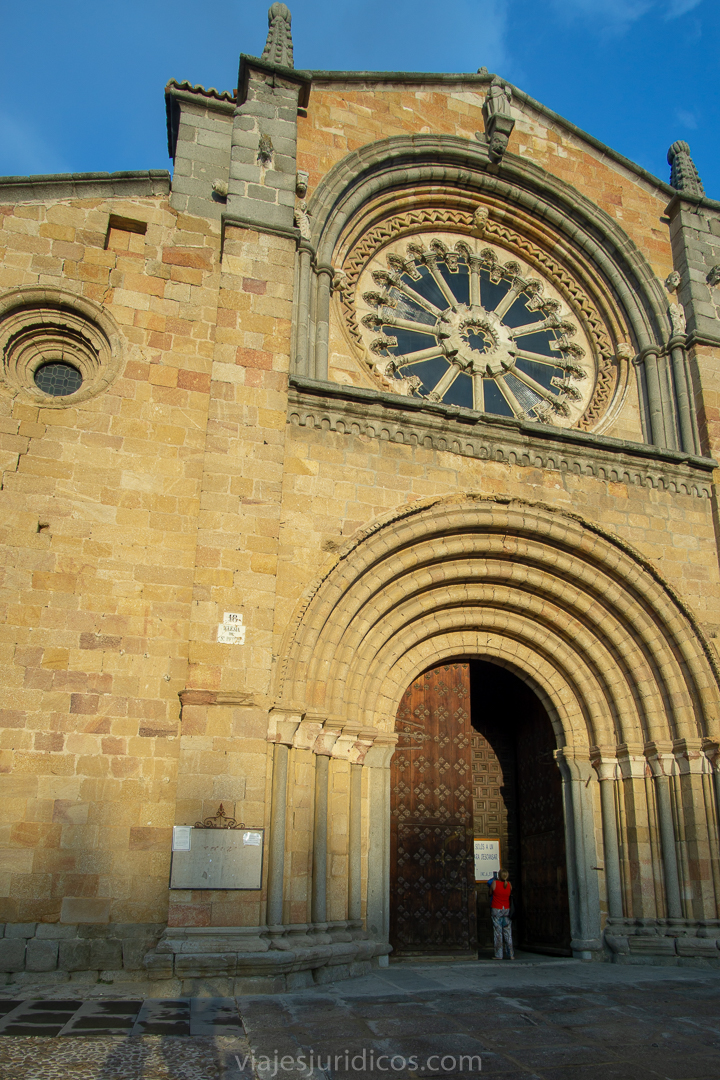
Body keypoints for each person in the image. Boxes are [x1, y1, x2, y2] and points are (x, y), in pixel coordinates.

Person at [489, 868, 514, 960]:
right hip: (506, 909)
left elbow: (490, 893)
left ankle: (499, 955)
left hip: (496, 909)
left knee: (498, 932)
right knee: (508, 932)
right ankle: (511, 954)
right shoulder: (509, 885)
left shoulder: (495, 883)